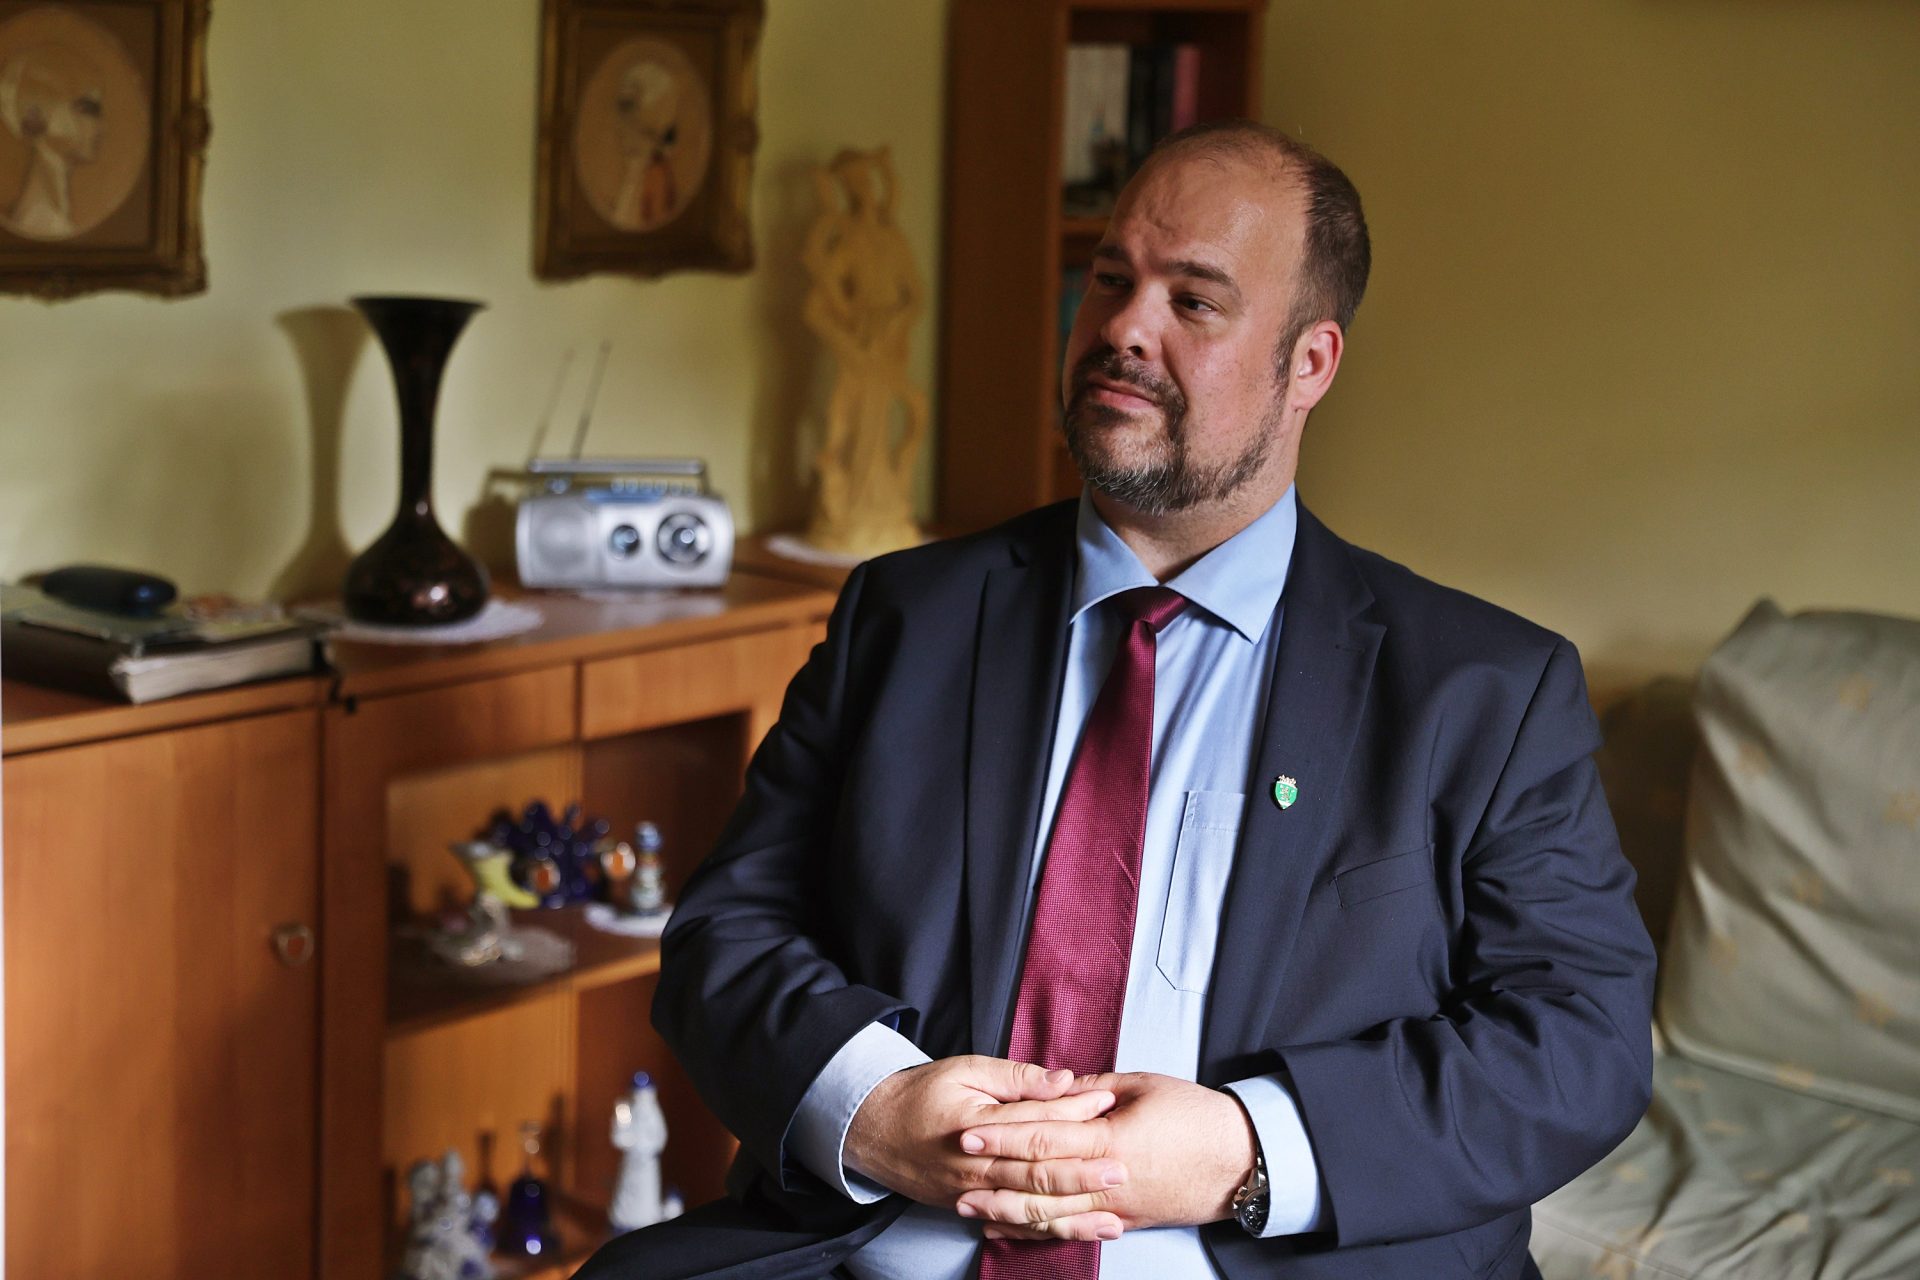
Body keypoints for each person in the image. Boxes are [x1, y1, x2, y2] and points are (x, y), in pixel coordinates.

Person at [578, 119, 1655, 1280]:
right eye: (1108, 279)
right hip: (881, 1246)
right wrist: (873, 1104)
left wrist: (1249, 1150)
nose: (1123, 328)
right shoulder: (904, 616)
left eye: (1193, 300)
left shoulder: (1483, 690)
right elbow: (728, 929)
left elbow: (1581, 1038)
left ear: (1310, 363)